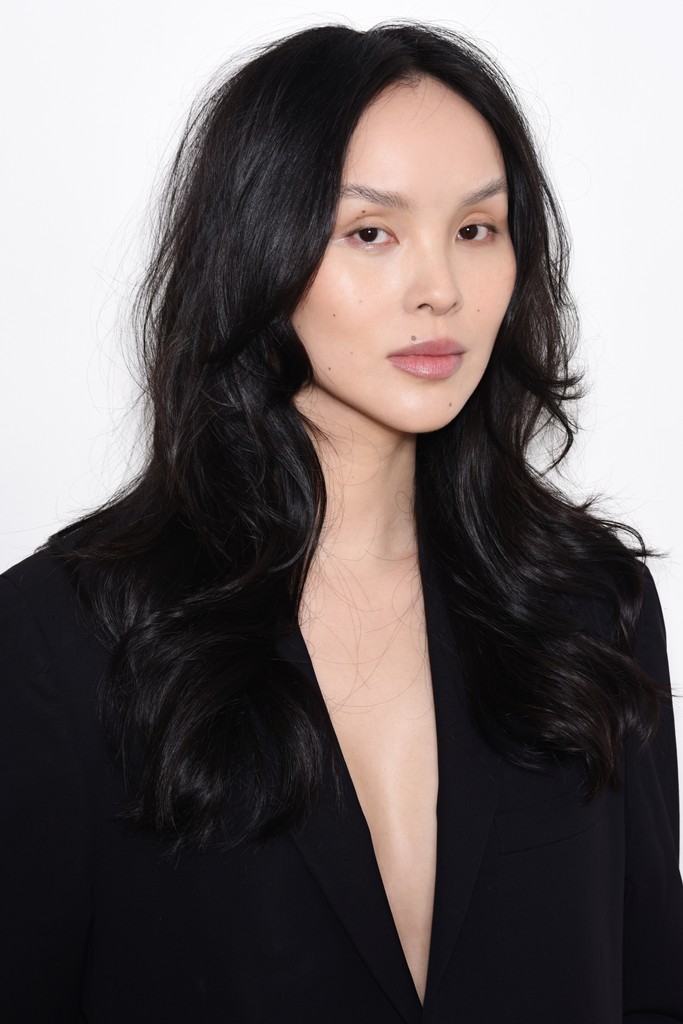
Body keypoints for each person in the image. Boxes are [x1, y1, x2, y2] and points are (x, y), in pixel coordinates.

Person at [1, 21, 682, 1023]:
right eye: (370, 232)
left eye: (476, 229)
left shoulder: (590, 606)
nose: (439, 290)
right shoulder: (60, 637)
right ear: (259, 247)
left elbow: (652, 989)